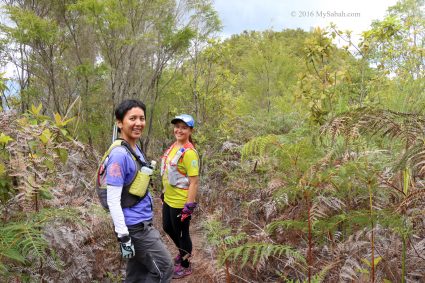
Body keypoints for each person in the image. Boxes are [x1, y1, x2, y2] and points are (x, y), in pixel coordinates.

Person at [104, 99, 173, 282]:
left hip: (141, 224)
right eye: (132, 118)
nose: (138, 123)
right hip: (134, 228)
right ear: (120, 123)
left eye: (141, 118)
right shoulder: (119, 155)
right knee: (164, 268)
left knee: (137, 275)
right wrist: (124, 235)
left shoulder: (133, 148)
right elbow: (112, 199)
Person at [161, 114, 200, 279]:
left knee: (182, 233)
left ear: (190, 130)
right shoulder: (174, 146)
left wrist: (188, 206)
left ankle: (185, 264)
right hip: (169, 198)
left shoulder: (190, 153)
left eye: (184, 127)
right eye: (177, 126)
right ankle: (182, 252)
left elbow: (194, 182)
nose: (179, 130)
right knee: (167, 227)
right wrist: (164, 191)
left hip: (180, 202)